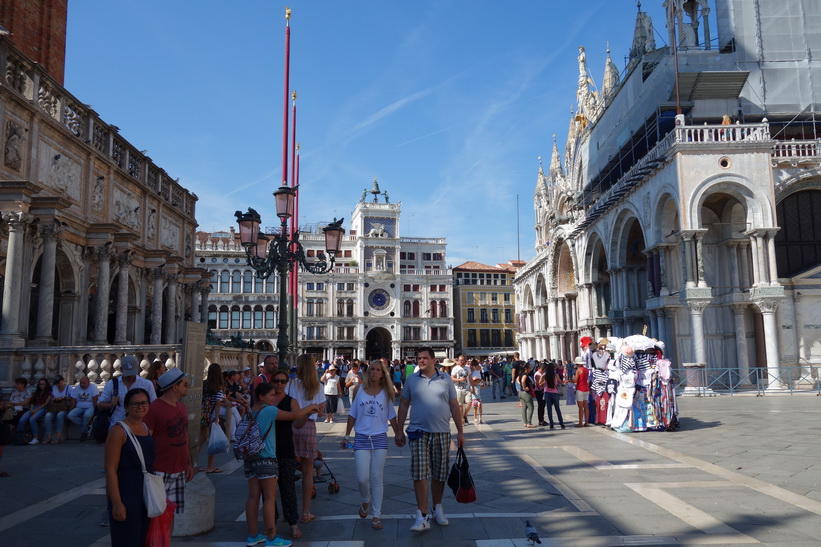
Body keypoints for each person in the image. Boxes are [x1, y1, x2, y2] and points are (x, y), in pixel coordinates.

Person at [395, 346, 464, 533]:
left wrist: (460, 431)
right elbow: (403, 405)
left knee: (440, 473)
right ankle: (422, 515)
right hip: (418, 432)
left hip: (441, 432)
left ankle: (438, 508)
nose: (421, 361)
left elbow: (454, 405)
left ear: (434, 361)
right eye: (419, 358)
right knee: (419, 473)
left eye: (425, 358)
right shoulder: (411, 380)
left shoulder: (445, 379)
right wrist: (399, 430)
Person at [244, 382, 321, 547]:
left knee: (253, 497)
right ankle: (271, 538)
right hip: (266, 458)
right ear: (260, 396)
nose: (273, 398)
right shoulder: (269, 410)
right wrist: (310, 407)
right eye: (270, 395)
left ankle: (252, 535)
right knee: (270, 498)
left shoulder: (250, 412)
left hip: (250, 459)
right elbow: (293, 416)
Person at [342, 359, 402, 530]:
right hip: (361, 437)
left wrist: (398, 432)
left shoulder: (387, 392)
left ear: (383, 373)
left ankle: (376, 514)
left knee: (377, 478)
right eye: (372, 369)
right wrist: (347, 435)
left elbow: (392, 416)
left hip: (380, 438)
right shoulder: (359, 389)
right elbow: (352, 413)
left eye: (378, 370)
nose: (375, 372)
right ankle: (365, 500)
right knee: (362, 478)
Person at [104, 388, 154, 546]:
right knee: (126, 539)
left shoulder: (146, 428)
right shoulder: (118, 431)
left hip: (145, 492)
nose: (140, 407)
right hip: (126, 492)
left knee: (142, 539)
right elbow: (110, 469)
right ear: (126, 407)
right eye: (135, 404)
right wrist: (117, 503)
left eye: (144, 403)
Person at [143, 368, 195, 520]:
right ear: (174, 387)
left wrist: (188, 463)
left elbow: (185, 436)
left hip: (179, 468)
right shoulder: (154, 408)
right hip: (159, 469)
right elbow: (147, 439)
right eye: (185, 384)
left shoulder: (182, 407)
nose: (188, 387)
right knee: (156, 513)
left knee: (170, 513)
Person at [285, 354, 326, 523]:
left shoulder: (291, 384)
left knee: (287, 469)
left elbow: (285, 404)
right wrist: (312, 409)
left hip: (291, 426)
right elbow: (322, 412)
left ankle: (288, 513)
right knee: (308, 471)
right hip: (309, 427)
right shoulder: (318, 386)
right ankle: (306, 512)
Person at [269, 370, 309, 540]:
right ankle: (273, 523)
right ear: (271, 381)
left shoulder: (291, 401)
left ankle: (293, 523)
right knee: (269, 492)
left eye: (283, 381)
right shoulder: (266, 400)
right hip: (267, 451)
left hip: (285, 448)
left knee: (287, 487)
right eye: (276, 381)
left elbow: (298, 424)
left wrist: (307, 414)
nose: (279, 384)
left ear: (286, 383)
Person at [98, 355, 157, 431]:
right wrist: (111, 404)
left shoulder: (147, 384)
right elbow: (100, 404)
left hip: (140, 427)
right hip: (117, 427)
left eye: (132, 373)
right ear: (121, 369)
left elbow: (153, 405)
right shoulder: (111, 384)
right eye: (128, 373)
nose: (130, 376)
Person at [200, 362, 225, 474]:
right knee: (213, 441)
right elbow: (218, 402)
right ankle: (211, 465)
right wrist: (217, 417)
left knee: (203, 439)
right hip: (212, 414)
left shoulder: (205, 384)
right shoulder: (219, 386)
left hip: (203, 413)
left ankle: (193, 462)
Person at [16, 377, 51, 444]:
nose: (41, 386)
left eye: (43, 384)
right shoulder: (37, 392)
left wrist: (37, 410)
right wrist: (31, 409)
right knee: (22, 419)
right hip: (34, 407)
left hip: (42, 408)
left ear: (46, 385)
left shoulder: (49, 393)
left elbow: (46, 403)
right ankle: (19, 436)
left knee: (32, 419)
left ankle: (36, 437)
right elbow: (33, 402)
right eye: (40, 384)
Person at [67, 374, 99, 441]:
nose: (82, 384)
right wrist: (70, 410)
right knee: (70, 415)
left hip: (90, 406)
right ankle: (85, 427)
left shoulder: (93, 387)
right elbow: (73, 400)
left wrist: (96, 411)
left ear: (88, 382)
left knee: (87, 416)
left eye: (84, 383)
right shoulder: (77, 388)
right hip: (79, 407)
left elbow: (95, 400)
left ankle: (83, 433)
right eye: (81, 383)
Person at [43, 375, 71, 443]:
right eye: (57, 383)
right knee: (48, 416)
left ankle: (58, 437)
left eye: (59, 383)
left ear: (62, 381)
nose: (58, 385)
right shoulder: (54, 388)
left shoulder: (68, 388)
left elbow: (72, 398)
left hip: (63, 407)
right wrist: (54, 399)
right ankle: (48, 436)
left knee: (60, 415)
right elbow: (51, 397)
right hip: (54, 407)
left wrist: (63, 397)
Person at [450, 354, 471, 426]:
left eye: (462, 360)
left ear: (465, 360)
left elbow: (470, 378)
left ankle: (465, 415)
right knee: (460, 405)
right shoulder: (455, 368)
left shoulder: (468, 368)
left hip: (467, 388)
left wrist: (473, 387)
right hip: (458, 389)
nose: (460, 361)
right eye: (459, 360)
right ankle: (462, 418)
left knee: (469, 403)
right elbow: (452, 378)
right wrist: (459, 380)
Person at [544, 362, 565, 429]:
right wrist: (561, 391)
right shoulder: (556, 375)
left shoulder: (545, 375)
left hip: (547, 392)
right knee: (557, 409)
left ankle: (551, 424)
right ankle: (561, 423)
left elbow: (540, 382)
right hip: (554, 393)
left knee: (549, 409)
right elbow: (560, 383)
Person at [572, 356, 590, 427]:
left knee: (580, 407)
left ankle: (580, 422)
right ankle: (586, 422)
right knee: (586, 407)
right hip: (586, 389)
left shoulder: (578, 370)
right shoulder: (586, 370)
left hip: (580, 389)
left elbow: (575, 380)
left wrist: (568, 380)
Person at [518, 363, 537, 429]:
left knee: (524, 408)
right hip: (526, 393)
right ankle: (529, 423)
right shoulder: (525, 374)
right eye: (529, 368)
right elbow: (523, 381)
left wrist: (521, 387)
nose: (530, 369)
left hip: (521, 392)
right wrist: (525, 387)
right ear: (526, 368)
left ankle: (525, 423)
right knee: (531, 407)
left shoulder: (521, 374)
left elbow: (518, 380)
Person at [469, 359, 485, 425]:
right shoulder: (479, 367)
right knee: (477, 407)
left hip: (474, 380)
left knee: (475, 407)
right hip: (478, 379)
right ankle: (478, 418)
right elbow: (482, 369)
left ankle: (476, 418)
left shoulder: (472, 368)